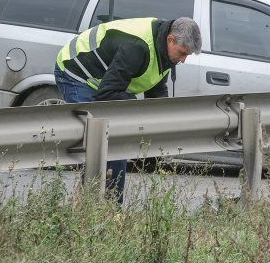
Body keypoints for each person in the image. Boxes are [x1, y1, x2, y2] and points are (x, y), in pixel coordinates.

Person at [55, 16, 202, 201]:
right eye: (182, 53)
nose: (183, 60)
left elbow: (156, 90)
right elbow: (107, 93)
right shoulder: (136, 47)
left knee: (118, 141)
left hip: (106, 83)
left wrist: (162, 125)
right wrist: (136, 110)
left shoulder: (164, 50)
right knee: (97, 141)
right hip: (76, 72)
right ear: (170, 39)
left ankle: (112, 206)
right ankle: (91, 204)